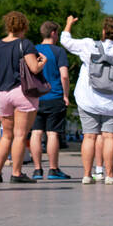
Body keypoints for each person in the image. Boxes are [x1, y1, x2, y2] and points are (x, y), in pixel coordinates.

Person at [62, 14, 113, 185]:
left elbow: (65, 41)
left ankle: (87, 175)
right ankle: (109, 175)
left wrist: (68, 25)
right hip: (112, 103)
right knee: (109, 137)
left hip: (88, 100)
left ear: (103, 31)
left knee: (89, 137)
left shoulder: (89, 45)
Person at [0, 11, 46, 184]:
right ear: (24, 26)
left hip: (3, 94)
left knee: (6, 135)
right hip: (22, 92)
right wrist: (43, 61)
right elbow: (34, 68)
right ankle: (16, 173)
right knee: (20, 135)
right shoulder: (25, 44)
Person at [30, 20, 72, 180]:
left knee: (36, 132)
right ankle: (53, 169)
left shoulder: (32, 50)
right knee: (52, 133)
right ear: (53, 33)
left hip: (35, 97)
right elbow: (64, 75)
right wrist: (66, 95)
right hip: (54, 96)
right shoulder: (58, 51)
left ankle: (37, 170)